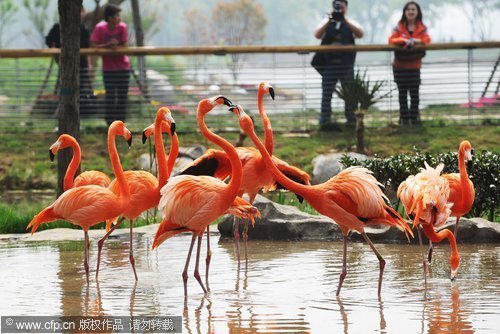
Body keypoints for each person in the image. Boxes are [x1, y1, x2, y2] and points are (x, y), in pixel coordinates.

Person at [314, 0, 363, 130]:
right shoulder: (327, 22)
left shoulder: (350, 22)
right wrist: (330, 20)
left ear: (346, 7)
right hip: (329, 65)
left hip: (346, 65)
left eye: (341, 5)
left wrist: (344, 20)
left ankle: (351, 121)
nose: (339, 8)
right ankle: (325, 122)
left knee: (349, 94)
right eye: (337, 5)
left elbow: (360, 34)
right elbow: (317, 34)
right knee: (327, 94)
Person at [389, 1, 430, 126]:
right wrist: (404, 40)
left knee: (414, 95)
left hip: (414, 67)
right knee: (402, 95)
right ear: (404, 12)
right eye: (408, 9)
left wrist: (414, 40)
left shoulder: (422, 28)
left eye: (413, 9)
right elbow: (391, 40)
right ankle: (404, 120)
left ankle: (415, 119)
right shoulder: (398, 27)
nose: (411, 12)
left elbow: (427, 40)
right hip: (400, 67)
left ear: (417, 12)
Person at [45, 6, 93, 113]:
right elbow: (49, 41)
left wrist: (89, 64)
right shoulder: (58, 27)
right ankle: (62, 111)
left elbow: (87, 48)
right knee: (66, 89)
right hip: (65, 64)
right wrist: (56, 51)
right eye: (79, 11)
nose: (81, 14)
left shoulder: (82, 28)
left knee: (80, 88)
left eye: (82, 11)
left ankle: (77, 112)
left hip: (82, 65)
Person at [90, 3, 130, 126]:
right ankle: (110, 123)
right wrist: (107, 46)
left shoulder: (122, 27)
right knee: (110, 96)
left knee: (122, 96)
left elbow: (124, 45)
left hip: (123, 68)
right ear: (110, 17)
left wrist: (116, 46)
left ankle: (121, 123)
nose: (119, 17)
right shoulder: (100, 28)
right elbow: (94, 45)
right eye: (117, 15)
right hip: (108, 69)